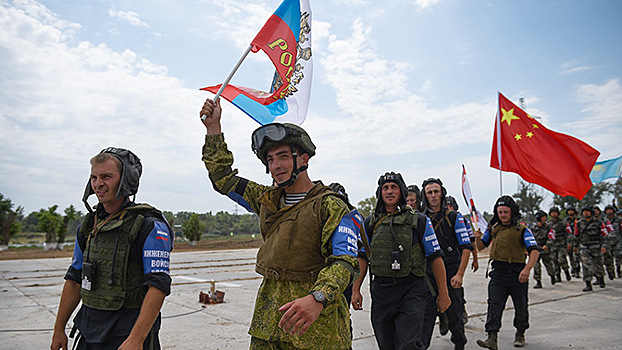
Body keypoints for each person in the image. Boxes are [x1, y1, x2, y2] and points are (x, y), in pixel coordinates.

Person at [199, 98, 358, 350]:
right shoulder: (266, 200)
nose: (275, 166)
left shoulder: (331, 205)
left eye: (283, 156)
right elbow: (223, 179)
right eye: (270, 159)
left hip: (316, 329)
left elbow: (344, 262)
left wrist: (318, 297)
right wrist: (213, 129)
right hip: (268, 322)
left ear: (303, 159)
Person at [50, 147, 173, 350]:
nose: (98, 184)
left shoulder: (149, 225)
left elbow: (158, 286)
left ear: (126, 180)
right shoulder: (89, 226)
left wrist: (136, 339)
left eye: (106, 177)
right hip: (89, 331)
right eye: (94, 177)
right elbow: (74, 279)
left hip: (127, 334)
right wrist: (58, 328)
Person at [351, 172, 451, 350]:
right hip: (382, 292)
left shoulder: (419, 221)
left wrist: (443, 293)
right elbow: (363, 258)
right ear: (380, 193)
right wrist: (355, 289)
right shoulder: (369, 223)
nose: (389, 191)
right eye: (385, 188)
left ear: (401, 192)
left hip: (411, 291)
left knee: (407, 344)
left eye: (394, 187)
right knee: (386, 344)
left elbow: (435, 258)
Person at [474, 195, 540, 349]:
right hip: (498, 273)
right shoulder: (493, 228)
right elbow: (482, 246)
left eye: (505, 212)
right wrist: (477, 238)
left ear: (512, 212)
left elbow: (534, 251)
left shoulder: (522, 229)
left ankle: (520, 333)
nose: (502, 215)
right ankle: (492, 337)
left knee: (521, 305)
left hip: (517, 274)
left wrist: (527, 269)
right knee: (494, 305)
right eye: (500, 212)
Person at [420, 181, 473, 350]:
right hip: (428, 274)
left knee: (455, 314)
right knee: (425, 315)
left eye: (436, 191)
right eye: (429, 192)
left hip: (451, 272)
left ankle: (459, 344)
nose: (433, 195)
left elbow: (466, 247)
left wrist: (460, 275)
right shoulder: (421, 219)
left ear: (442, 193)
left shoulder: (454, 217)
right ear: (425, 196)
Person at [445, 195, 479, 325]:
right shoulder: (439, 219)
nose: (449, 208)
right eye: (447, 206)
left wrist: (475, 259)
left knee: (456, 288)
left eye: (451, 206)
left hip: (457, 259)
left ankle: (461, 310)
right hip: (444, 259)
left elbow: (471, 242)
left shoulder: (461, 221)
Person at [575, 206, 608, 291]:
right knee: (586, 264)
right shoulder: (579, 223)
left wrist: (604, 246)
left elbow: (604, 235)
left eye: (587, 211)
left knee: (598, 264)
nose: (586, 213)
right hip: (584, 246)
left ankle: (600, 278)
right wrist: (575, 246)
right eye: (584, 211)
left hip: (596, 246)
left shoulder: (599, 223)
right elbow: (576, 235)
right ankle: (588, 283)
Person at [531, 210, 556, 288]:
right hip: (536, 249)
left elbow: (551, 237)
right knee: (536, 265)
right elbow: (531, 238)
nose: (545, 218)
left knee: (548, 264)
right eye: (543, 217)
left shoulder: (549, 227)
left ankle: (552, 275)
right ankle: (538, 281)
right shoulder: (534, 228)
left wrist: (547, 245)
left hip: (545, 249)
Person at [547, 207, 572, 282]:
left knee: (561, 259)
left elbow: (569, 233)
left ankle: (566, 272)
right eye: (552, 213)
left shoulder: (563, 222)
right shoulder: (548, 224)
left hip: (562, 244)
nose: (553, 214)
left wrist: (569, 243)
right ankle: (558, 275)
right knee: (554, 260)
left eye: (555, 212)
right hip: (553, 245)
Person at [604, 205, 622, 278]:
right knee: (608, 257)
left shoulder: (619, 219)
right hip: (608, 241)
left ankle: (618, 269)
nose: (609, 212)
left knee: (619, 255)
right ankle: (611, 271)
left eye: (610, 210)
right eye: (607, 210)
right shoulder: (604, 220)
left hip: (618, 240)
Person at [565, 207, 581, 278]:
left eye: (572, 211)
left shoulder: (578, 220)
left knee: (576, 256)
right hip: (568, 241)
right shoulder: (565, 221)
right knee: (571, 256)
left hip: (577, 241)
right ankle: (573, 268)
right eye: (569, 211)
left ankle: (577, 270)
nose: (571, 212)